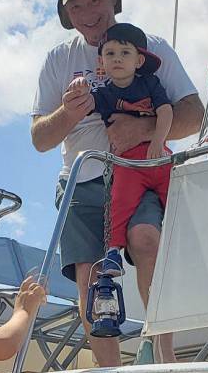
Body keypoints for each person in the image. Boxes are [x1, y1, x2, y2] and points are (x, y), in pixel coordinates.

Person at [31, 0, 204, 367]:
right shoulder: (57, 60)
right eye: (76, 7)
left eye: (95, 0)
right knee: (90, 276)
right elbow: (40, 138)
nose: (88, 14)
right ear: (66, 15)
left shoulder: (153, 46)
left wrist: (143, 130)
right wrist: (68, 114)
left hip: (141, 172)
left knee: (147, 239)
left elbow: (195, 114)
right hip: (80, 181)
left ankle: (166, 360)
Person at [68, 23, 173, 276]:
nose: (117, 58)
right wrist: (78, 90)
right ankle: (113, 252)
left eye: (125, 53)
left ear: (139, 61)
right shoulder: (103, 92)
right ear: (101, 62)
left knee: (177, 197)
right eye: (110, 53)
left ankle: (185, 243)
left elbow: (165, 111)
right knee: (119, 203)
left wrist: (158, 140)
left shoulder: (150, 83)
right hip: (127, 165)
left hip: (158, 158)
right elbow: (87, 103)